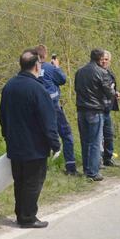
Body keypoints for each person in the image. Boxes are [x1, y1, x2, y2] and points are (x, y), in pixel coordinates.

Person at [0, 49, 60, 228]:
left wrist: (6, 135)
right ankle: (28, 217)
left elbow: (2, 114)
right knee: (33, 182)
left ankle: (21, 214)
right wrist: (55, 144)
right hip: (34, 146)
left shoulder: (9, 86)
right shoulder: (37, 89)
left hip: (15, 143)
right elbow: (48, 120)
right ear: (36, 65)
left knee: (20, 182)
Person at [36, 45, 78, 175]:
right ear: (45, 55)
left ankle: (40, 168)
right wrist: (57, 66)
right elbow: (63, 80)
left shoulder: (31, 70)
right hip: (53, 107)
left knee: (41, 136)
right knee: (66, 135)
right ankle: (70, 167)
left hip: (37, 109)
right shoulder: (50, 68)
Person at [74, 49, 115, 181]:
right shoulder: (102, 72)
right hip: (95, 110)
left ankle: (87, 169)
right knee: (95, 142)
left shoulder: (80, 71)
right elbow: (108, 92)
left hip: (81, 110)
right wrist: (114, 92)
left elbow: (76, 88)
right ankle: (93, 172)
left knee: (85, 141)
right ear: (99, 58)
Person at [100, 50, 120, 167]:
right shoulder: (97, 72)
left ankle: (108, 159)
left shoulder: (110, 73)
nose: (104, 61)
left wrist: (116, 94)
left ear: (110, 61)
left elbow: (110, 89)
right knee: (98, 137)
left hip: (108, 108)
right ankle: (98, 160)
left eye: (106, 59)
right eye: (102, 59)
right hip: (98, 108)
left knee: (109, 134)